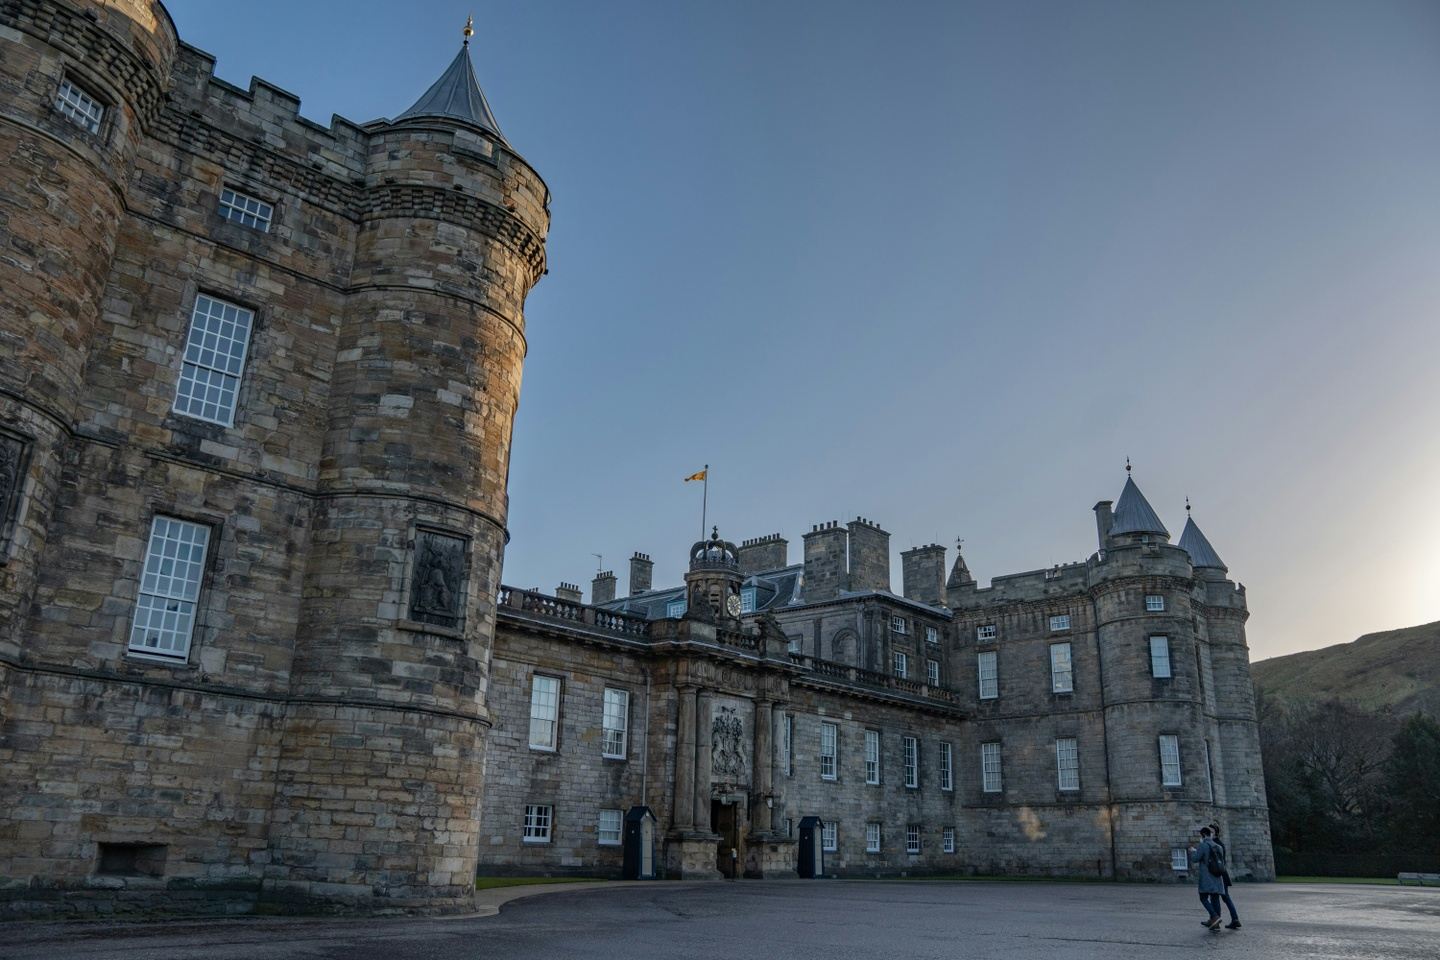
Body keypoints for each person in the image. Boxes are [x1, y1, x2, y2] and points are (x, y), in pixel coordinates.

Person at [1189, 826, 1226, 929]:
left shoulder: (1203, 845)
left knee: (1203, 898)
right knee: (1215, 898)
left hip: (1207, 877)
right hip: (1217, 876)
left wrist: (1193, 851)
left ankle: (1214, 916)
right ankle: (1215, 922)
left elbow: (1195, 859)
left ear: (1204, 835)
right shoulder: (1219, 846)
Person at [1210, 822, 1242, 929]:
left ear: (1216, 833)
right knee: (1224, 898)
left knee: (1216, 897)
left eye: (1211, 831)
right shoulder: (1220, 844)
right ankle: (1234, 919)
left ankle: (1216, 920)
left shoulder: (1215, 844)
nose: (1209, 833)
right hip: (1222, 874)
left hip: (1218, 874)